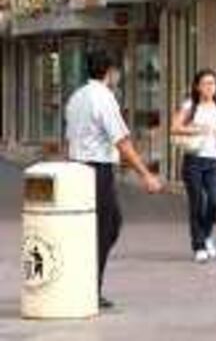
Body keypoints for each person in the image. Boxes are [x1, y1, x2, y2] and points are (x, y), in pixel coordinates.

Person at [65, 50, 162, 310]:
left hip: (77, 166)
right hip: (97, 169)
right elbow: (122, 141)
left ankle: (86, 284)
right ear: (109, 71)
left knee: (96, 227)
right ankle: (88, 288)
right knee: (106, 227)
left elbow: (70, 138)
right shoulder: (103, 97)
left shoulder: (77, 97)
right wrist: (146, 175)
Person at [171, 69, 216, 263]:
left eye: (213, 83)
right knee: (197, 203)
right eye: (205, 83)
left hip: (213, 161)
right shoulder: (190, 105)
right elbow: (175, 127)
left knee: (215, 201)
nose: (209, 87)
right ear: (197, 86)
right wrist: (196, 129)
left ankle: (205, 235)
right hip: (193, 160)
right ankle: (199, 246)